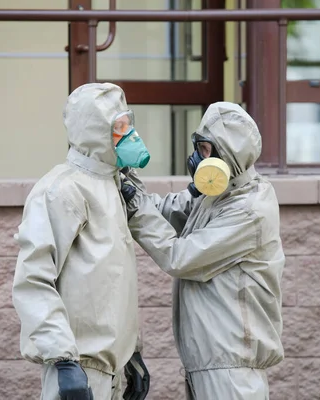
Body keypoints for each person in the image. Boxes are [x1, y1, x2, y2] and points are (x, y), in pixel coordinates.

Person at [121, 101, 285, 400]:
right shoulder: (219, 195)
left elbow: (179, 257)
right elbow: (164, 211)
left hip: (231, 371)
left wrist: (134, 208)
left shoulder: (249, 209)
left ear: (228, 154)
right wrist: (126, 180)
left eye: (205, 150)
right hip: (211, 364)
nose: (197, 157)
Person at [11, 82, 150, 400]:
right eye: (118, 127)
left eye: (127, 124)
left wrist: (133, 354)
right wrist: (63, 360)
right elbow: (33, 279)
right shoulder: (61, 189)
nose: (127, 135)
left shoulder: (113, 187)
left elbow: (114, 283)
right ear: (94, 130)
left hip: (112, 372)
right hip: (77, 373)